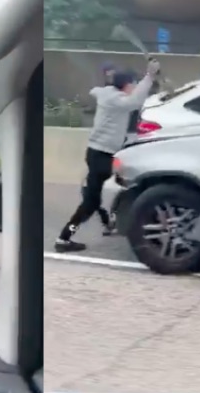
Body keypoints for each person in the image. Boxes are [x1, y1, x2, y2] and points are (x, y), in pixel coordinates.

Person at [55, 59, 160, 252]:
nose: (135, 87)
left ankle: (105, 223)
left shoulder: (109, 95)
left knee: (93, 198)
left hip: (99, 153)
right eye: (133, 84)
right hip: (102, 156)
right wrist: (150, 76)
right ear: (127, 85)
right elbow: (134, 101)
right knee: (108, 192)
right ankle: (64, 238)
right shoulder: (116, 100)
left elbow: (129, 100)